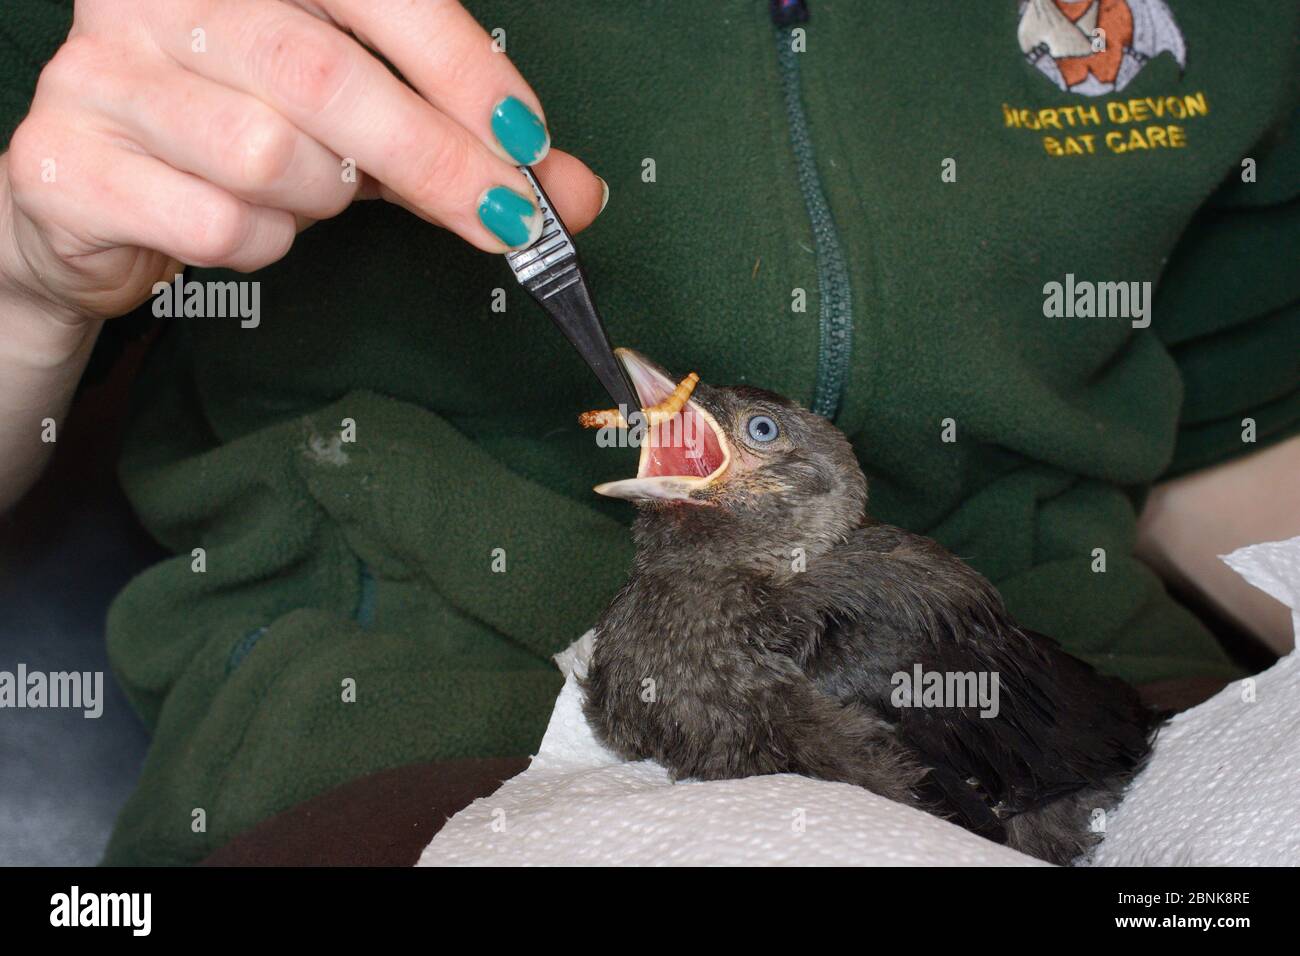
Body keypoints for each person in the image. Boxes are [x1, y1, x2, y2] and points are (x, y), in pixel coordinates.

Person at [0, 0, 1295, 865]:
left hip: (1126, 713)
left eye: (761, 436)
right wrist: (29, 281)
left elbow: (1237, 442)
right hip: (391, 741)